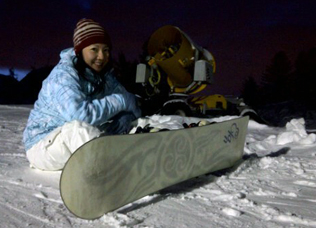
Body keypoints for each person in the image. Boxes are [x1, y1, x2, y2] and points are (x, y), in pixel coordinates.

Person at [23, 18, 141, 171]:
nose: (102, 56)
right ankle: (115, 171)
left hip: (78, 141)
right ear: (80, 50)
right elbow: (80, 115)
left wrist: (128, 115)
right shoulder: (63, 75)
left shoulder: (104, 76)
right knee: (77, 128)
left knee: (127, 121)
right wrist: (121, 101)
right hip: (43, 144)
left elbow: (130, 101)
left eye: (106, 50)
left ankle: (143, 153)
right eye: (94, 49)